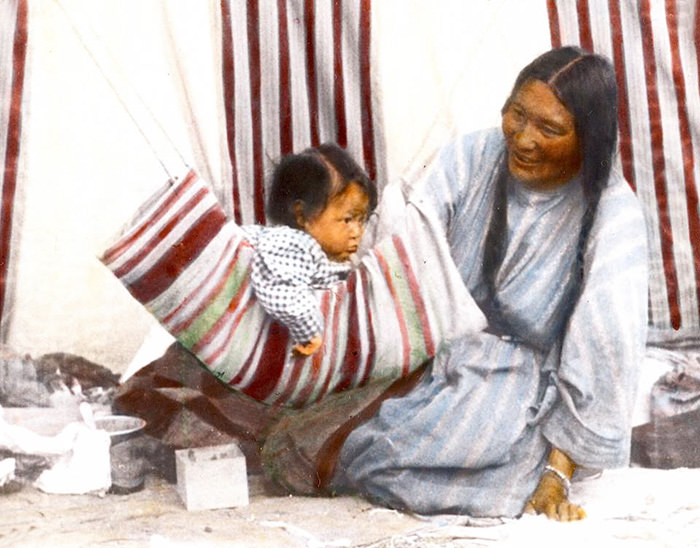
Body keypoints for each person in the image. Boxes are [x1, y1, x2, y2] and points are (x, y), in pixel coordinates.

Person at [331, 47, 649, 521]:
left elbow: (606, 347)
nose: (523, 139)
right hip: (430, 356)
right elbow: (404, 253)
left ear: (589, 140)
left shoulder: (612, 213)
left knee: (444, 462)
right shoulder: (470, 157)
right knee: (330, 442)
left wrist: (557, 474)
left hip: (520, 386)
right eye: (517, 115)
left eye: (550, 129)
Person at [242, 143, 377, 356]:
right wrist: (310, 332)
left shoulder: (314, 254)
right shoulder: (292, 244)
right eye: (348, 219)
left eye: (362, 220)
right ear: (302, 216)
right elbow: (281, 290)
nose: (357, 232)